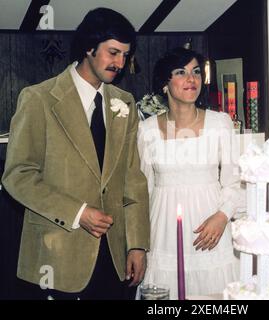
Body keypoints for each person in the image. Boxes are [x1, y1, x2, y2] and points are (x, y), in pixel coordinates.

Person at [1, 7, 150, 300]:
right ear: (88, 48)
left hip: (114, 260)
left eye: (124, 55)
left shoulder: (125, 103)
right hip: (57, 260)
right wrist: (78, 213)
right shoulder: (38, 98)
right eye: (113, 53)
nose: (120, 63)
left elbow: (133, 179)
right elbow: (18, 176)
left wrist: (137, 245)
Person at [137, 47, 244, 299]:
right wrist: (139, 244)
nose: (191, 79)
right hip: (163, 234)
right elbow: (142, 190)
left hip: (210, 232)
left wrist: (222, 216)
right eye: (181, 72)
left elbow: (235, 181)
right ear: (165, 83)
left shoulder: (220, 123)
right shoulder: (146, 130)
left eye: (196, 72)